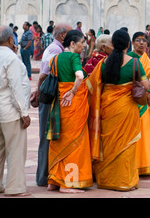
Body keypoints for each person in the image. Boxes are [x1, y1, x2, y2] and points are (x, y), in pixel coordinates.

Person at [87, 30, 150, 191]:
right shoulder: (135, 63)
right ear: (128, 44)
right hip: (126, 108)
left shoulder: (104, 63)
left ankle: (106, 180)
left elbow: (91, 85)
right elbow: (146, 86)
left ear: (113, 44)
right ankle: (124, 181)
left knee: (108, 143)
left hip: (107, 107)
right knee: (126, 145)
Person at [46, 30, 93, 193]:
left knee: (58, 140)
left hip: (57, 105)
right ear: (72, 43)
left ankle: (54, 180)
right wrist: (73, 92)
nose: (84, 45)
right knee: (74, 143)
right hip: (72, 104)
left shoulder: (55, 59)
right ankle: (68, 183)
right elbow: (79, 76)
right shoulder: (74, 57)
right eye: (82, 42)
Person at [33, 23, 71, 187]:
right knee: (46, 136)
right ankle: (44, 177)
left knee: (49, 136)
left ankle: (48, 175)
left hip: (49, 95)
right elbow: (44, 74)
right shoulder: (56, 50)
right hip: (49, 96)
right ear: (63, 36)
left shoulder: (57, 48)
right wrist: (37, 90)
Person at [0, 26, 31, 196]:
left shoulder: (8, 56)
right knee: (15, 151)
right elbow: (16, 88)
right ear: (11, 39)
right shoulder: (10, 58)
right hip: (10, 112)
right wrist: (24, 113)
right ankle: (15, 188)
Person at [127, 32, 150, 176]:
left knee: (146, 128)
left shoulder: (145, 59)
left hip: (144, 97)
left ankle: (146, 163)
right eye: (138, 40)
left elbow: (146, 79)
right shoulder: (128, 57)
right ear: (133, 43)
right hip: (132, 98)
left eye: (144, 40)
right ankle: (133, 163)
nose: (142, 43)